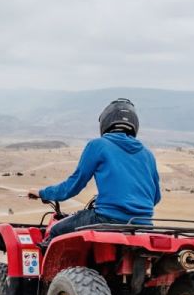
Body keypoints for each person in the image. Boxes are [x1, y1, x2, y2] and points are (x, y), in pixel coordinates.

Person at [27, 98, 161, 242]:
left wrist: (43, 193)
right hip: (144, 226)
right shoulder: (148, 154)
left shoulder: (98, 145)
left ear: (106, 122)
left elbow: (72, 186)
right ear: (134, 124)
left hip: (106, 220)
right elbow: (155, 197)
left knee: (55, 231)